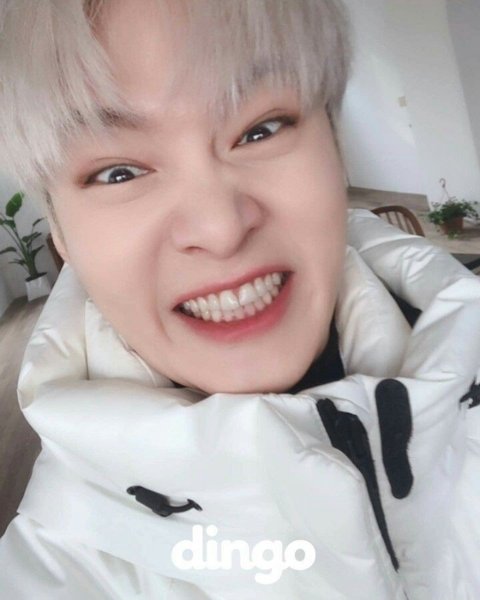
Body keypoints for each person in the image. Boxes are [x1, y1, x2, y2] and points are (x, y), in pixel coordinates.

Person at [0, 1, 479, 598]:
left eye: (261, 129)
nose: (221, 228)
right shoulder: (55, 572)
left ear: (334, 146)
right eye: (119, 172)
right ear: (62, 238)